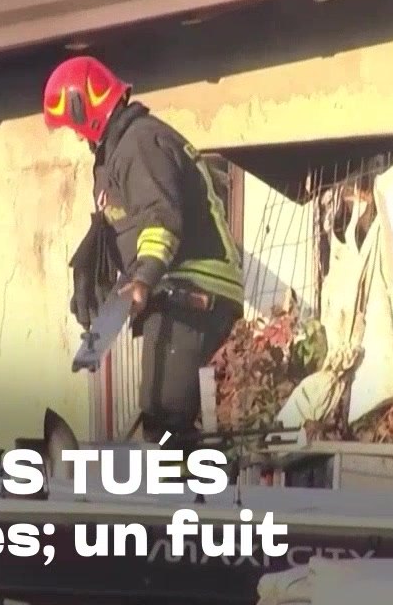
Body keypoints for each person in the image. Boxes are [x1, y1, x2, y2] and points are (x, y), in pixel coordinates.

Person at [43, 55, 244, 445]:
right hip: (171, 286)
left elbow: (160, 218)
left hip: (195, 285)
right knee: (161, 416)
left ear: (85, 109)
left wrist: (144, 277)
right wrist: (95, 276)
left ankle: (187, 497)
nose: (77, 136)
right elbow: (123, 226)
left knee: (165, 417)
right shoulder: (114, 156)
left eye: (73, 126)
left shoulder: (142, 144)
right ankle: (183, 488)